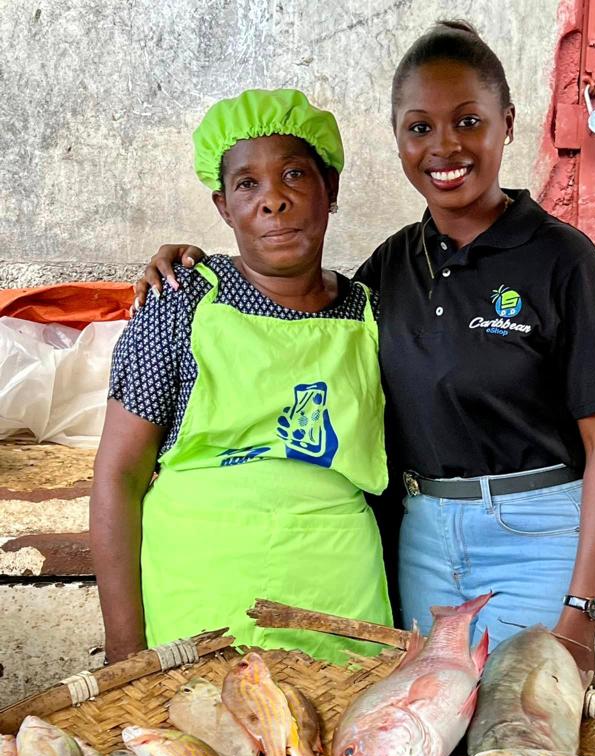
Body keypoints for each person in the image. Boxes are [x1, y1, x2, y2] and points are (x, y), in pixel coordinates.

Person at [132, 21, 595, 677]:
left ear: (507, 123)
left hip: (535, 539)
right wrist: (195, 263)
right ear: (398, 139)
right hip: (425, 538)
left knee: (519, 741)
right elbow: (298, 302)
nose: (444, 146)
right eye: (420, 127)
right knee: (430, 747)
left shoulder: (564, 263)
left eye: (468, 121)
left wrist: (582, 607)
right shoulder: (389, 271)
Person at [90, 88, 392, 666]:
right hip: (201, 583)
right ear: (223, 207)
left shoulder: (373, 312)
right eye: (247, 184)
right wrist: (126, 651)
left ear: (330, 190)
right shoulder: (180, 301)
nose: (272, 200)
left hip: (337, 586)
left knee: (332, 748)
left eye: (295, 175)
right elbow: (119, 476)